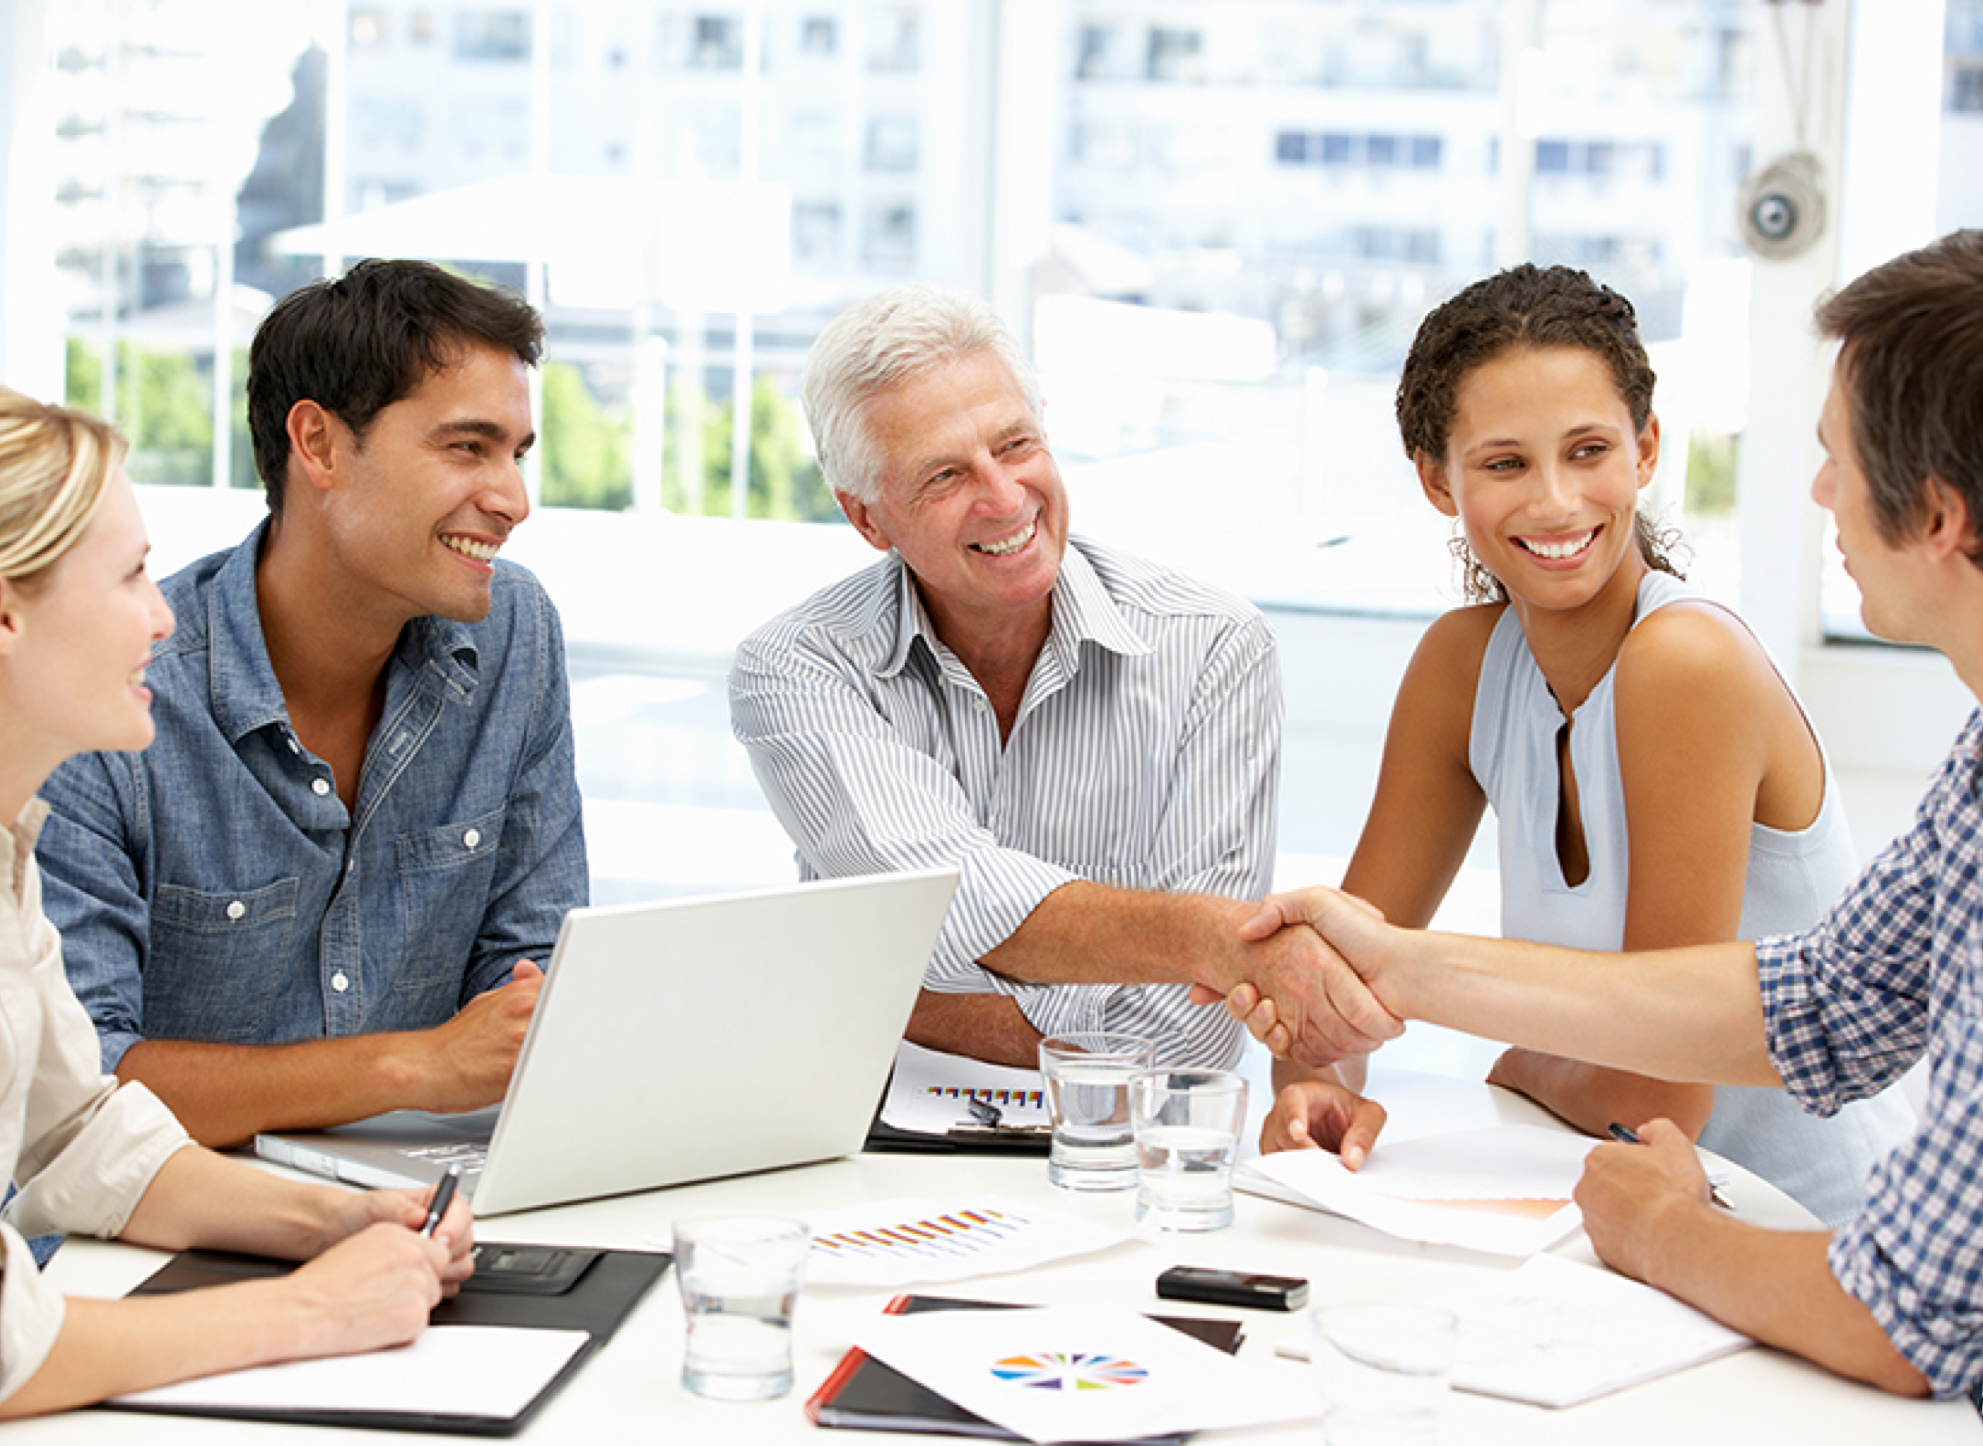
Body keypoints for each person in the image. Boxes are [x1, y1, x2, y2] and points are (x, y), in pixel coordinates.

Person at [1230, 230, 1983, 1400]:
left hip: (1786, 1254)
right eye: (1503, 463)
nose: (1818, 488)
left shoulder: (1686, 662)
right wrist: (1344, 1046)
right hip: (1635, 1224)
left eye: (1840, 456)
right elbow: (1816, 1001)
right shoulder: (1975, 771)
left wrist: (1497, 1051)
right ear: (1438, 479)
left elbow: (1670, 1097)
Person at [729, 280, 1384, 1112]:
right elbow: (951, 891)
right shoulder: (796, 667)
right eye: (942, 475)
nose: (1004, 497)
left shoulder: (1214, 646)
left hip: (1127, 1147)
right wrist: (1197, 942)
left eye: (1015, 445)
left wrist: (896, 1002)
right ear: (868, 518)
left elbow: (1190, 1039)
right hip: (861, 1135)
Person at [36, 259, 587, 1149]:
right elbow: (77, 1084)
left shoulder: (511, 632)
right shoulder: (119, 695)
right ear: (319, 444)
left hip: (423, 1193)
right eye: (466, 447)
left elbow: (533, 978)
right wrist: (414, 1066)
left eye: (516, 454)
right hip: (153, 1223)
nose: (512, 500)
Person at [0, 390, 474, 1417]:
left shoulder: (9, 844)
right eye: (129, 576)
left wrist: (332, 1220)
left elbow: (74, 1136)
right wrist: (314, 1313)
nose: (165, 614)